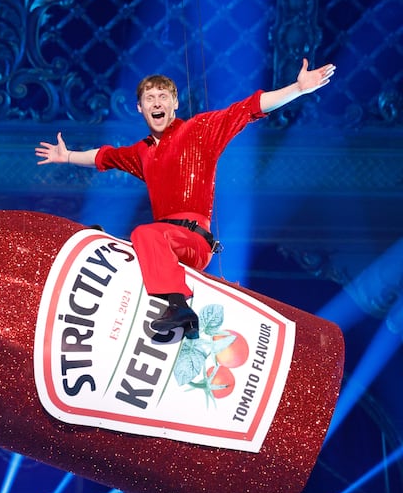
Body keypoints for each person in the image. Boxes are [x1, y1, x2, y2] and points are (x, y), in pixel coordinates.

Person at [35, 58, 336, 336]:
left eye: (163, 97)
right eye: (149, 98)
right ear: (139, 108)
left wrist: (297, 88)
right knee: (106, 240)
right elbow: (106, 156)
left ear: (175, 103)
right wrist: (68, 155)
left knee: (144, 233)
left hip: (193, 242)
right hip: (165, 244)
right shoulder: (142, 152)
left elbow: (247, 109)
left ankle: (179, 307)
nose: (157, 103)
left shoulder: (199, 130)